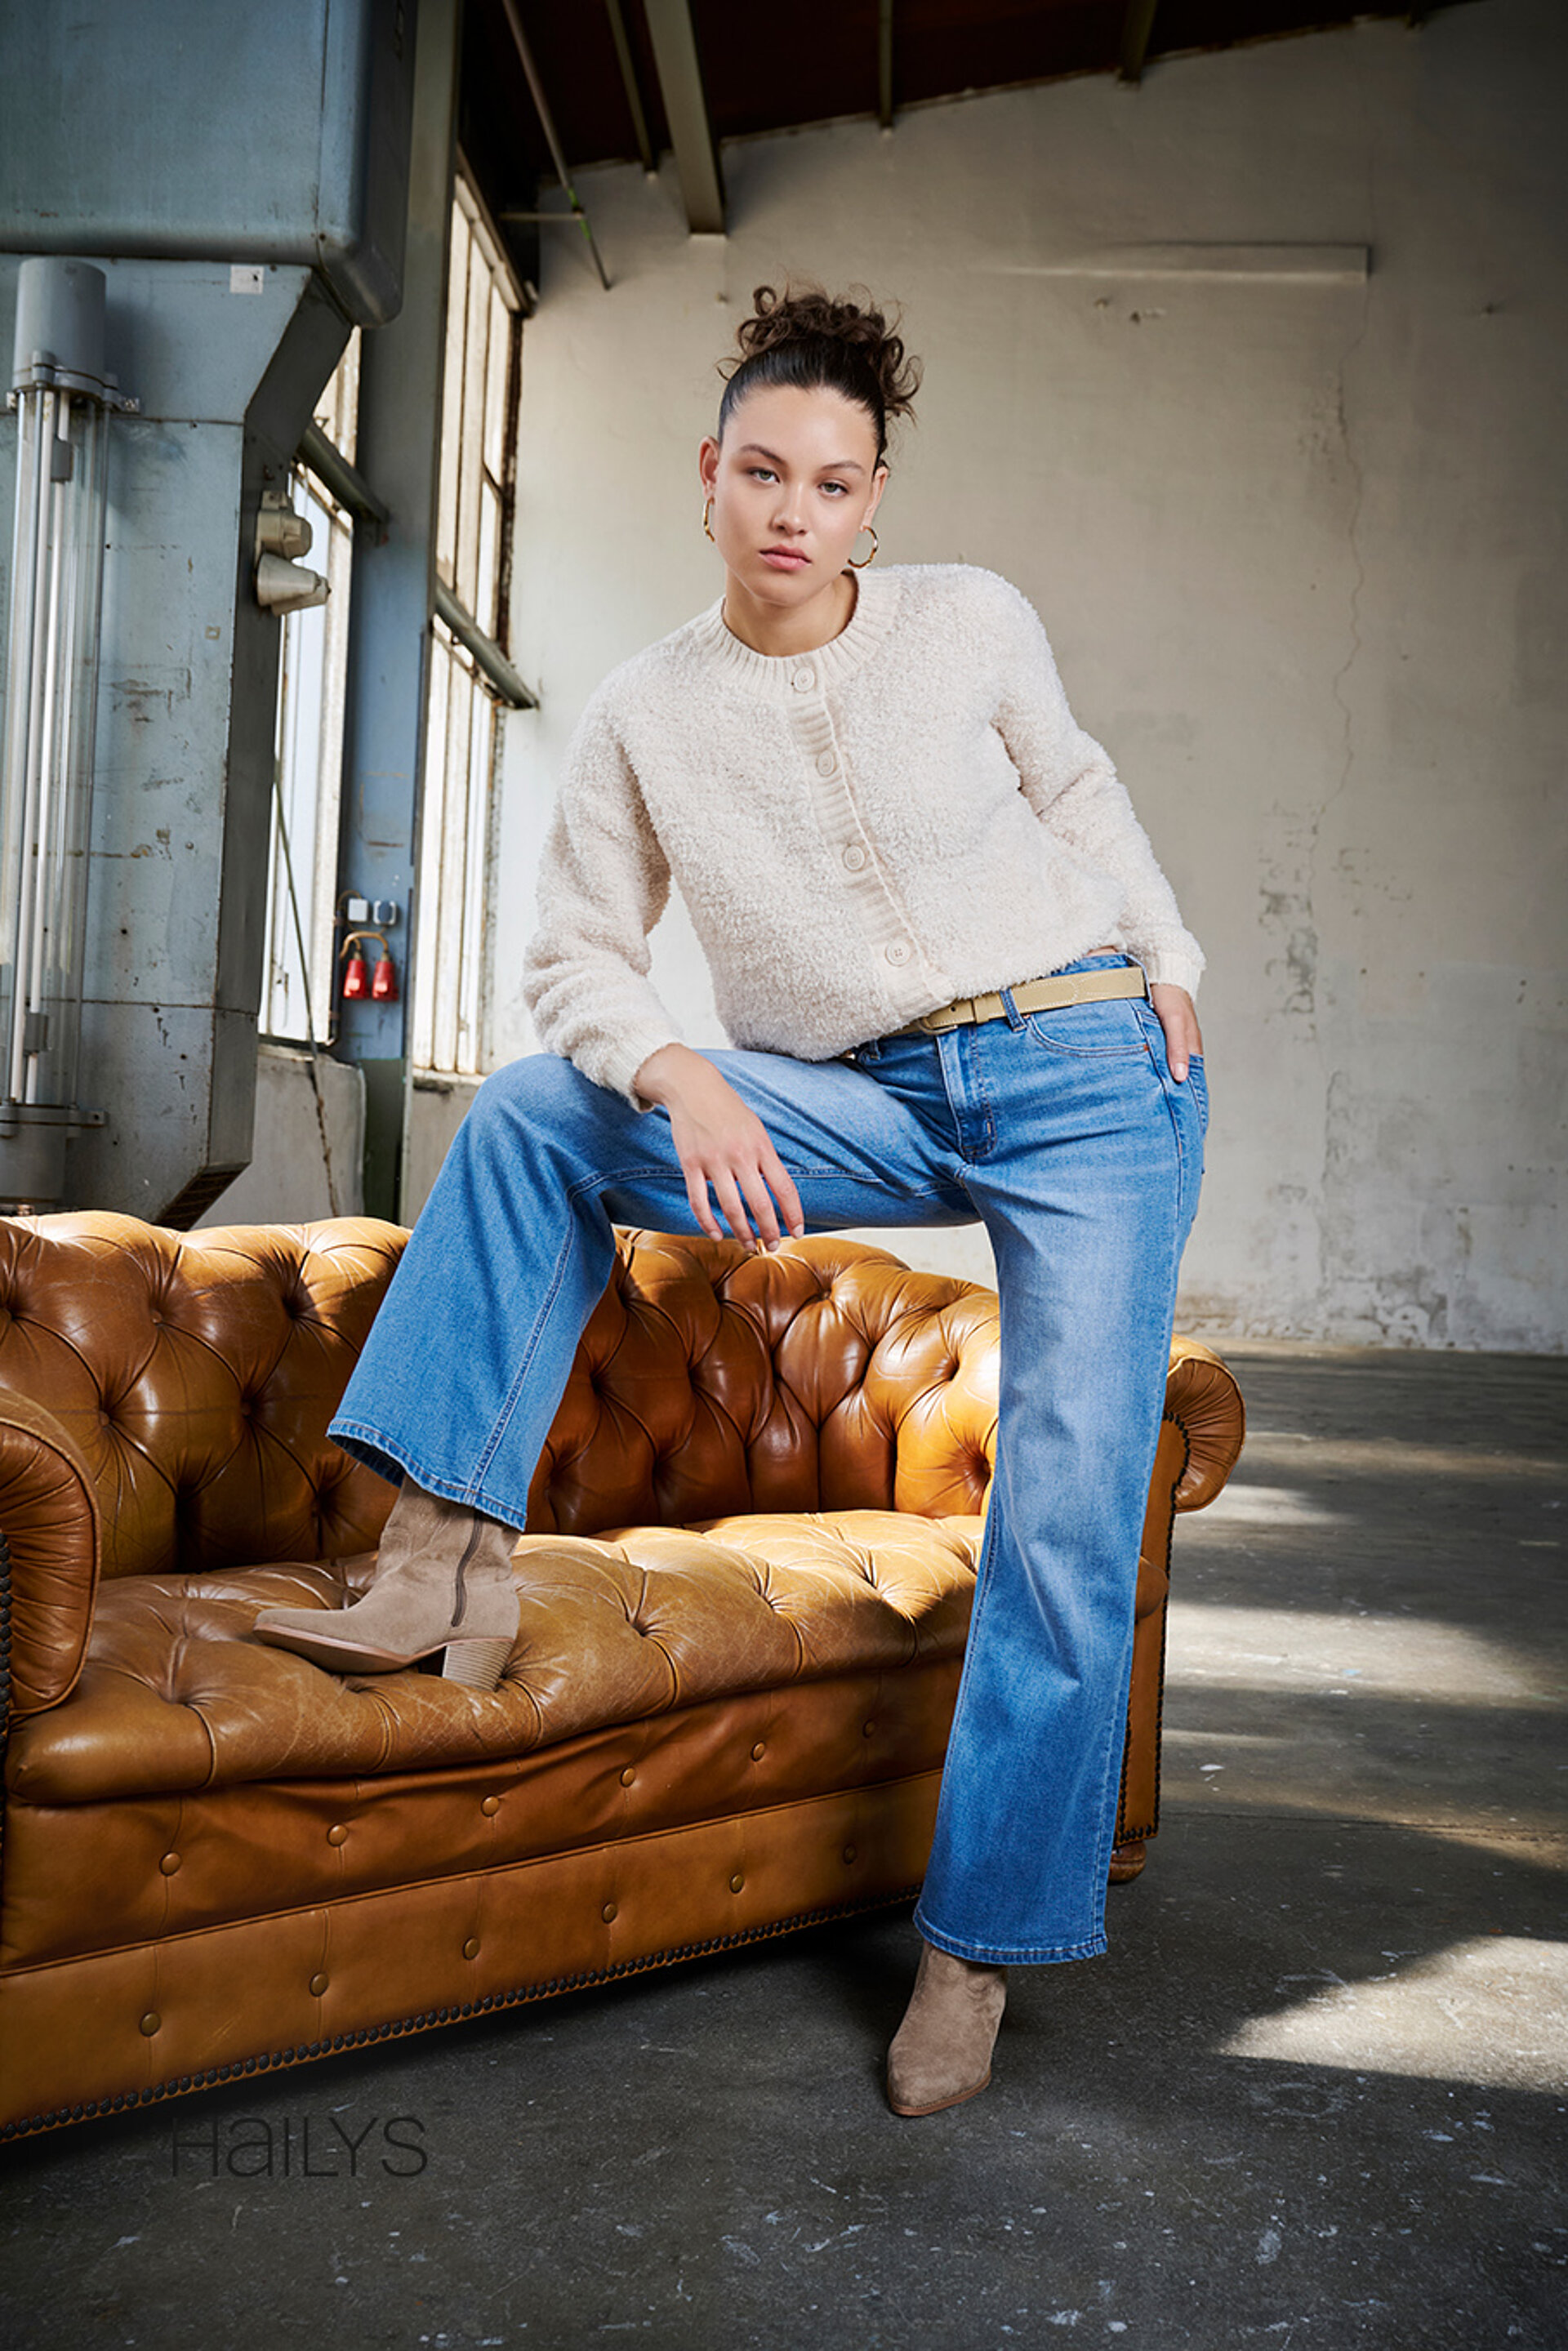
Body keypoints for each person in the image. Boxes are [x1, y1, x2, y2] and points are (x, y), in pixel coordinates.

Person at [256, 281, 1208, 2119]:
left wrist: (1168, 958)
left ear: (874, 500)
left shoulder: (972, 620)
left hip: (1089, 1078)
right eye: (764, 473)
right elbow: (573, 957)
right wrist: (677, 1072)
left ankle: (976, 1946)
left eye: (835, 485)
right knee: (538, 1113)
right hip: (858, 1093)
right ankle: (433, 1560)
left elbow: (1080, 792)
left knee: (1067, 1521)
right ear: (708, 474)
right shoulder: (643, 712)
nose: (795, 513)